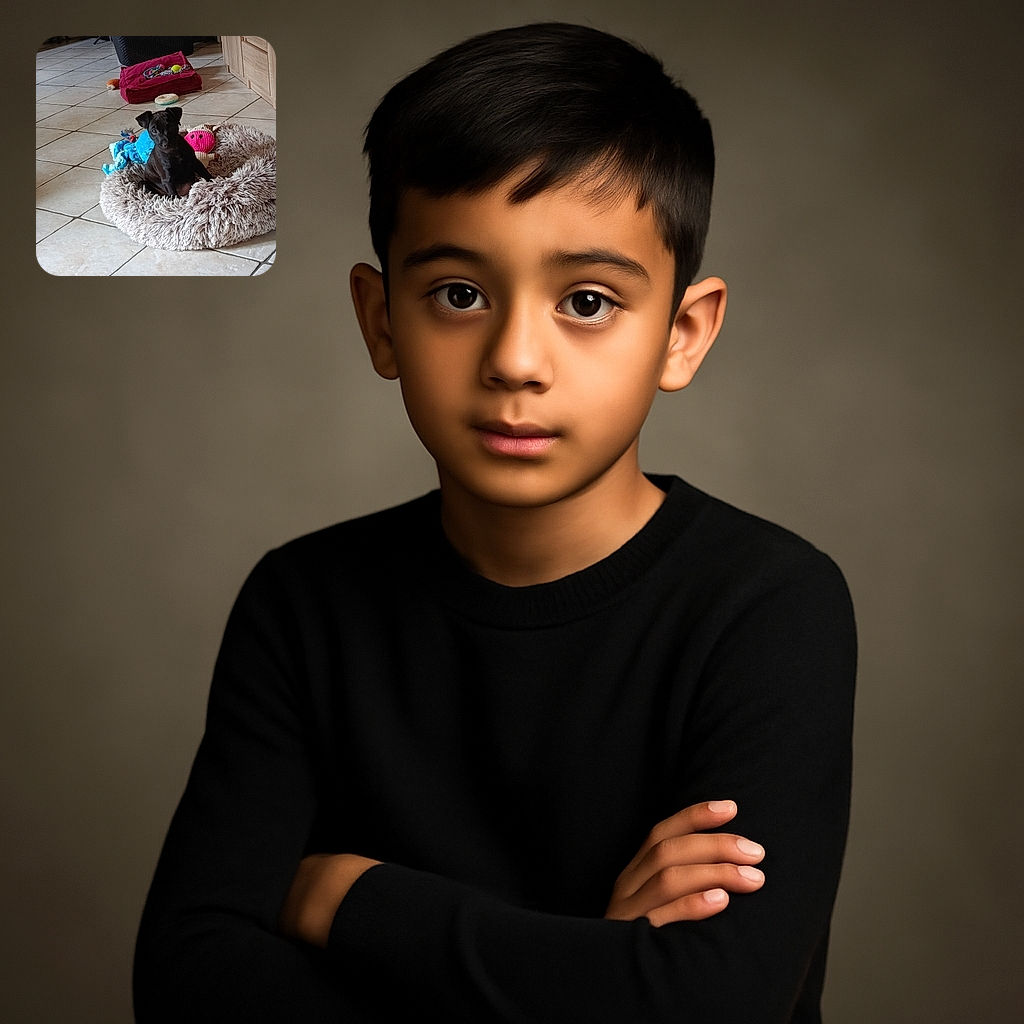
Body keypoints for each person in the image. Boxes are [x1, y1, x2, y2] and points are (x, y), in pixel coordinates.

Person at [133, 22, 856, 1023]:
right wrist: (594, 968)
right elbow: (188, 984)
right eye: (460, 294)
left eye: (588, 302)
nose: (516, 359)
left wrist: (350, 899)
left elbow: (712, 1003)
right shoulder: (303, 604)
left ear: (681, 335)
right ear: (382, 321)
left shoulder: (768, 606)